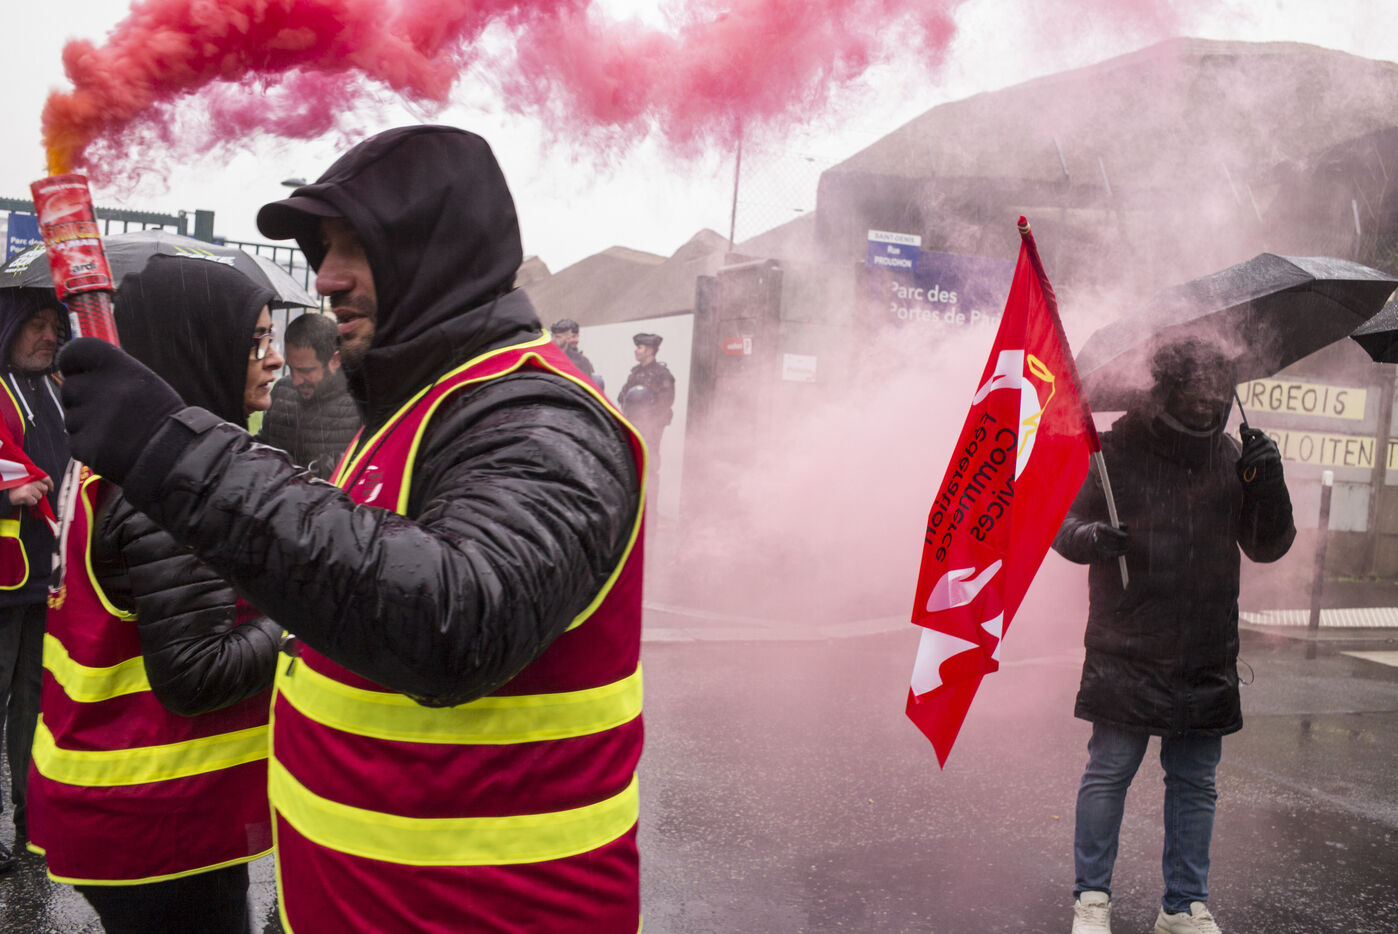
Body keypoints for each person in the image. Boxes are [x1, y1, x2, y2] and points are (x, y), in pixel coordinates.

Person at [56, 125, 646, 933]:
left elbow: (457, 620)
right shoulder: (415, 407)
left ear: (440, 250)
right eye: (324, 248)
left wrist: (176, 451)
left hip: (488, 914)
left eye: (355, 245)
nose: (326, 275)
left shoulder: (536, 411)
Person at [28, 256, 287, 933]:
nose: (275, 359)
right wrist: (298, 622)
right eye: (255, 341)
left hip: (123, 803)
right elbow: (197, 671)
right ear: (197, 346)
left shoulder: (121, 456)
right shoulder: (169, 484)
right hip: (161, 821)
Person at [1052, 338, 1296, 934]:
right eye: (1196, 387)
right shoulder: (1111, 451)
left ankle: (1183, 906)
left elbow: (1267, 546)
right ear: (1164, 388)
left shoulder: (1233, 456)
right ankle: (1092, 900)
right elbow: (1061, 524)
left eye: (1219, 387)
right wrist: (1092, 538)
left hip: (1206, 651)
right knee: (1110, 772)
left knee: (1195, 783)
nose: (1210, 400)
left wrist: (1267, 481)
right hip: (1127, 645)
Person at [0, 288, 69, 872]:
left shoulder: (57, 389)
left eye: (55, 326)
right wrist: (6, 494)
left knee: (34, 705)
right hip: (3, 579)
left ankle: (32, 819)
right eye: (35, 325)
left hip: (46, 575)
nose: (49, 336)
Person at [257, 310, 361, 478]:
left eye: (306, 371)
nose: (296, 380)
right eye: (291, 368)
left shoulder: (361, 404)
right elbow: (263, 446)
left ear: (335, 360)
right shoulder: (282, 390)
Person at [618, 331, 675, 477]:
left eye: (640, 348)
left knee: (649, 466)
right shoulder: (635, 373)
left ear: (649, 351)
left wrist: (646, 418)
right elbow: (622, 396)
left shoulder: (662, 375)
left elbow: (665, 403)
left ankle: (651, 491)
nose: (636, 351)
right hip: (632, 424)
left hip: (651, 429)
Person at [550, 318, 603, 391]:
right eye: (573, 336)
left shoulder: (582, 361)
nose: (577, 340)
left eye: (577, 336)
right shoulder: (548, 357)